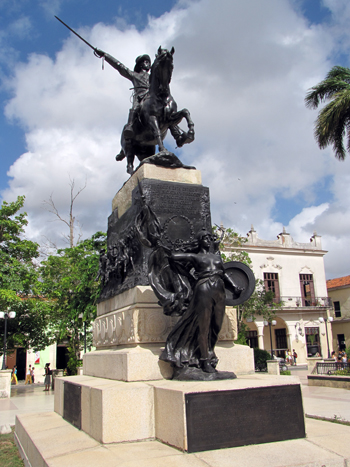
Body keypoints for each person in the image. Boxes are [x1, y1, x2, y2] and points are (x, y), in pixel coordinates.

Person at [160, 230, 243, 374]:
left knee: (216, 325)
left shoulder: (216, 256)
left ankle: (210, 353)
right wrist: (173, 248)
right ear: (199, 241)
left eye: (210, 238)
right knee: (203, 326)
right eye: (205, 238)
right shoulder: (195, 256)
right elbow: (173, 257)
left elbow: (223, 273)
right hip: (204, 288)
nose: (208, 240)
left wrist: (234, 287)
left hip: (219, 289)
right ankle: (204, 360)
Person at [94, 49, 151, 139]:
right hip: (140, 98)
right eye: (146, 62)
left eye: (149, 62)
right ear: (140, 64)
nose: (148, 64)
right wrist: (105, 55)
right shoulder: (134, 75)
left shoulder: (153, 77)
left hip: (152, 97)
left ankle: (174, 129)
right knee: (135, 108)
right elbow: (119, 66)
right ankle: (130, 126)